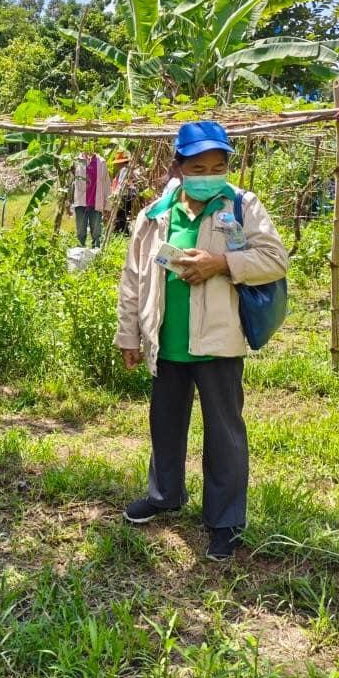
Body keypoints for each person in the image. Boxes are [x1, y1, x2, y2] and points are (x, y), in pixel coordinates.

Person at [115, 121, 288, 562]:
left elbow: (273, 259)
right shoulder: (155, 214)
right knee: (165, 424)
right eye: (198, 165)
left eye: (219, 164)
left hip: (218, 341)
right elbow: (134, 278)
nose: (209, 172)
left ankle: (225, 522)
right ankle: (164, 495)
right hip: (166, 340)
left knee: (224, 434)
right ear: (178, 167)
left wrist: (221, 263)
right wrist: (130, 333)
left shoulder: (240, 206)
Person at [70, 147, 109, 247]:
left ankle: (96, 258)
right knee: (81, 233)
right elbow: (70, 182)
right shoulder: (76, 161)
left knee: (96, 234)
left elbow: (106, 183)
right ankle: (79, 257)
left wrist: (107, 204)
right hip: (80, 203)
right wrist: (68, 202)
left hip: (96, 203)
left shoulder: (101, 162)